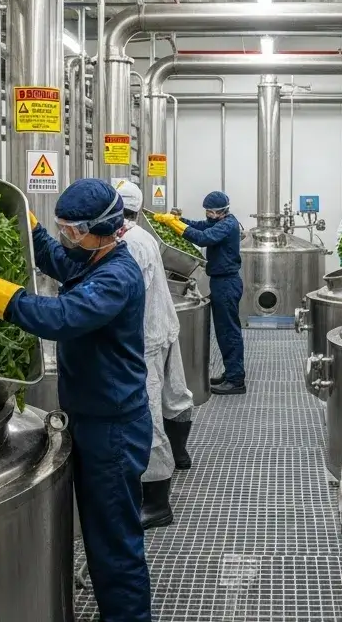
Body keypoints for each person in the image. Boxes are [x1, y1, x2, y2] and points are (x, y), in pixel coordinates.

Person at [0, 179, 153, 621]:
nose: (65, 239)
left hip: (113, 430)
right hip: (94, 417)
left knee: (114, 544)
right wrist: (27, 225)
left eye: (72, 231)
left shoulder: (116, 276)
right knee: (101, 534)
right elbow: (58, 261)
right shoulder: (92, 259)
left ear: (102, 228)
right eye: (60, 228)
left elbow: (58, 317)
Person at [115, 181, 196, 529]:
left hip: (145, 336)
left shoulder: (128, 243)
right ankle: (180, 454)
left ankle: (157, 501)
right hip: (164, 324)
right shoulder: (143, 235)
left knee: (147, 417)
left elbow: (125, 295)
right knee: (175, 395)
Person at [154, 191, 245, 395]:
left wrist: (176, 225)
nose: (208, 216)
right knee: (224, 331)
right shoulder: (217, 221)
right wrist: (178, 220)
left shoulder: (228, 224)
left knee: (229, 332)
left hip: (227, 283)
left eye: (210, 212)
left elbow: (203, 238)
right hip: (221, 282)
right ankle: (231, 373)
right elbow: (200, 226)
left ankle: (236, 380)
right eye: (207, 212)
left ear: (220, 212)